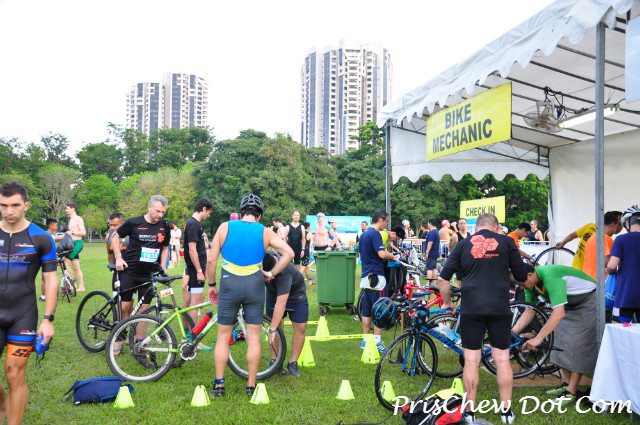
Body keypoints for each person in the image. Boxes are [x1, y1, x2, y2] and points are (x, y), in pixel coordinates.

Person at [439, 213, 526, 424]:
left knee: (471, 360)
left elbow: (443, 278)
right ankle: (506, 412)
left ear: (476, 228)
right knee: (502, 359)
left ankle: (469, 413)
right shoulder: (507, 242)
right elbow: (521, 276)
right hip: (499, 306)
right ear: (495, 227)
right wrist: (503, 273)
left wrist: (448, 302)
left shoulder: (462, 244)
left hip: (471, 307)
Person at [207, 194, 293, 398]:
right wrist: (271, 273)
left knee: (223, 337)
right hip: (254, 284)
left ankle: (219, 385)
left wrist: (211, 285)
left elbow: (211, 260)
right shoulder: (265, 231)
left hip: (229, 284)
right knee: (253, 338)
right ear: (259, 215)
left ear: (241, 213)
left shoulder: (225, 227)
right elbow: (289, 253)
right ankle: (251, 385)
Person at [0, 181, 58, 425]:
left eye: (15, 205)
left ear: (26, 205)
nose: (8, 211)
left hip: (22, 315)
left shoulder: (41, 237)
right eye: (3, 205)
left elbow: (51, 279)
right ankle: (3, 406)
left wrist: (48, 319)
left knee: (14, 374)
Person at [514, 264, 597, 405]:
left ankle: (571, 391)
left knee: (577, 343)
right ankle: (566, 383)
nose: (521, 287)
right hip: (570, 304)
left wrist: (538, 338)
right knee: (558, 339)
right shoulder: (531, 284)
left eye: (521, 283)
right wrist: (512, 332)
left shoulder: (550, 277)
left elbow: (558, 314)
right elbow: (529, 311)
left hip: (589, 300)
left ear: (530, 275)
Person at [112, 195, 171, 350]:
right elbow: (115, 237)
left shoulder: (165, 225)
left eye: (163, 212)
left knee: (144, 309)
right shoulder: (134, 222)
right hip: (129, 271)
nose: (160, 215)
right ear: (149, 207)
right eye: (158, 211)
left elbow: (165, 247)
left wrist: (163, 266)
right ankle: (118, 339)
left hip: (149, 274)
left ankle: (140, 344)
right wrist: (118, 258)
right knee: (124, 306)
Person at [358, 209, 399, 353]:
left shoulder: (363, 234)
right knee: (380, 308)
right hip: (376, 276)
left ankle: (365, 340)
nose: (386, 225)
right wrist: (393, 256)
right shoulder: (375, 234)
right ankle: (377, 341)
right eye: (386, 222)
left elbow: (361, 255)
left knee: (367, 309)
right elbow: (381, 253)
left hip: (365, 276)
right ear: (380, 219)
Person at [262, 251, 308, 376]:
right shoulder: (263, 258)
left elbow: (281, 304)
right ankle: (276, 362)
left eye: (267, 277)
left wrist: (272, 330)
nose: (265, 280)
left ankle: (292, 363)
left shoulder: (284, 271)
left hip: (296, 294)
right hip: (273, 294)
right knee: (276, 325)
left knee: (301, 327)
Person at [182, 198, 214, 349]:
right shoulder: (194, 224)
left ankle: (187, 335)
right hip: (196, 270)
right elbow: (192, 250)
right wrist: (199, 271)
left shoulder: (192, 223)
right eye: (209, 212)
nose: (209, 215)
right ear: (204, 209)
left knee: (189, 302)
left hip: (194, 269)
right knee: (195, 304)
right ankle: (193, 340)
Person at [607, 205, 640, 323]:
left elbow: (612, 265)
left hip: (625, 295)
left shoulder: (621, 240)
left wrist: (609, 270)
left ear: (627, 223)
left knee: (618, 329)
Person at [582, 211, 622, 281]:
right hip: (600, 281)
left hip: (588, 279)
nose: (621, 228)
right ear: (612, 224)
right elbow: (606, 260)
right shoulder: (605, 238)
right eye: (619, 224)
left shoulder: (592, 237)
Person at [105, 213, 130, 311]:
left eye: (114, 225)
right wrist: (112, 268)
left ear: (122, 224)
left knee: (128, 305)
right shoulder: (108, 237)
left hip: (130, 273)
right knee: (118, 304)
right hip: (117, 273)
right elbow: (109, 253)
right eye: (110, 225)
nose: (112, 228)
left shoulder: (130, 236)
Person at [39, 218, 63, 302]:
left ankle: (51, 295)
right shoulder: (45, 235)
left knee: (52, 278)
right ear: (51, 226)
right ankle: (43, 296)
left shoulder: (51, 235)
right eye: (56, 225)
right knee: (44, 279)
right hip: (46, 260)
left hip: (52, 259)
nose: (57, 227)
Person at [64, 202, 86, 291]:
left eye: (67, 208)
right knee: (76, 267)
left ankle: (72, 283)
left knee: (65, 263)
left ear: (73, 209)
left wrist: (72, 232)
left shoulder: (78, 219)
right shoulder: (71, 219)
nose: (66, 210)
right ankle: (81, 287)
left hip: (77, 244)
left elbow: (83, 232)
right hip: (71, 244)